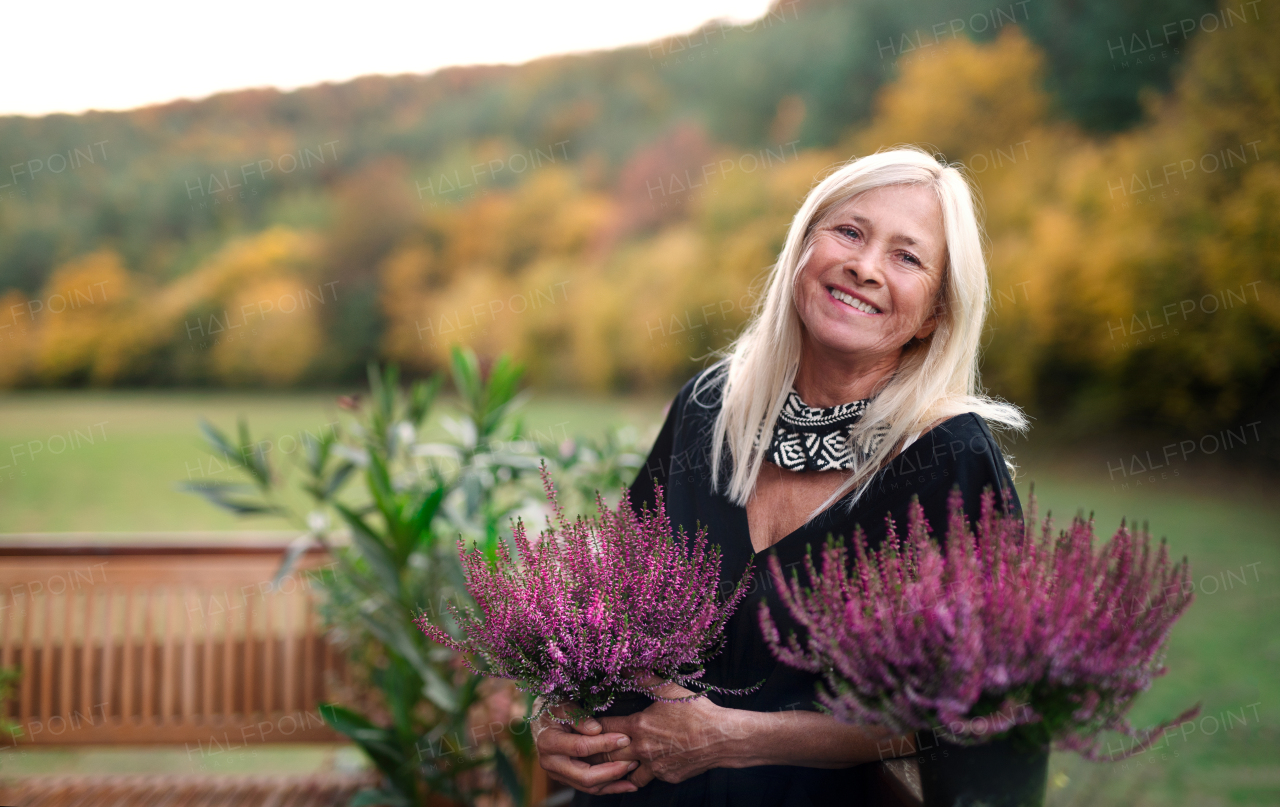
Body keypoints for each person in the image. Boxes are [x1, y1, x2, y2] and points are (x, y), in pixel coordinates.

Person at [532, 146, 1028, 805]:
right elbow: (603, 600)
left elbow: (972, 703)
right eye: (849, 231)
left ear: (937, 310)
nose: (864, 265)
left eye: (907, 256)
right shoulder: (709, 406)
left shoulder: (949, 456)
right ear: (803, 247)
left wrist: (731, 736)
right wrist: (558, 708)